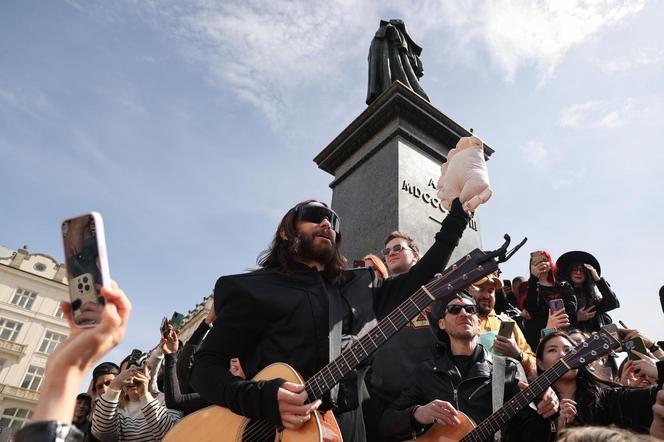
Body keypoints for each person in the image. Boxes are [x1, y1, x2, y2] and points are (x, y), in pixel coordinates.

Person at [191, 198, 470, 442]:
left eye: (333, 221)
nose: (326, 222)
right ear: (285, 232)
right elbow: (205, 366)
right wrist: (261, 397)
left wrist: (459, 215)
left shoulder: (360, 285)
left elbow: (419, 278)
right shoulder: (249, 289)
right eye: (313, 215)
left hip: (350, 427)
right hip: (273, 429)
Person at [378, 295, 557, 440]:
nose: (463, 313)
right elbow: (386, 424)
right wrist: (417, 414)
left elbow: (530, 435)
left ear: (478, 323)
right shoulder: (425, 372)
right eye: (454, 309)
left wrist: (546, 414)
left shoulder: (507, 369)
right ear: (442, 324)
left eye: (470, 309)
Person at [14, 282, 131, 442]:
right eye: (99, 386)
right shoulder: (92, 421)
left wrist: (67, 373)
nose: (105, 389)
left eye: (110, 383)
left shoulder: (132, 414)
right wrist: (65, 371)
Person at [363, 231, 442, 441]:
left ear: (416, 254)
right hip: (380, 400)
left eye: (398, 248)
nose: (391, 254)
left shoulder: (438, 288)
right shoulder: (381, 296)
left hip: (424, 398)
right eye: (387, 251)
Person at [536, 331, 662, 434]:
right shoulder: (533, 408)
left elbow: (657, 397)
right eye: (552, 350)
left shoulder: (609, 399)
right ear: (540, 363)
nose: (563, 355)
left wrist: (659, 369)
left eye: (569, 350)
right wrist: (558, 431)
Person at [91, 351, 183, 441]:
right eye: (126, 374)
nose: (132, 379)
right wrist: (114, 388)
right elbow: (104, 436)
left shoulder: (167, 399)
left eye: (138, 372)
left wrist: (144, 395)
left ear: (149, 373)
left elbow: (172, 433)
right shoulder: (112, 408)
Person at [467, 273, 537, 379]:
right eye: (480, 289)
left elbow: (533, 363)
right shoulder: (461, 320)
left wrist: (517, 354)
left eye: (491, 291)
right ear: (468, 291)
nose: (486, 295)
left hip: (509, 391)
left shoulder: (506, 323)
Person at [524, 250, 577, 350]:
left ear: (550, 263)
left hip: (566, 334)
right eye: (536, 262)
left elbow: (571, 309)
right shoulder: (527, 287)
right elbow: (531, 309)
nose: (541, 264)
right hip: (539, 336)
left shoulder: (563, 285)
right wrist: (534, 280)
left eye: (544, 260)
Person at [556, 251, 620, 333]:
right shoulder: (559, 293)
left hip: (594, 340)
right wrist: (576, 317)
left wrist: (597, 279)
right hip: (571, 339)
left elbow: (613, 303)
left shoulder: (591, 298)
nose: (578, 272)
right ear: (569, 272)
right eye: (575, 269)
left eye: (583, 271)